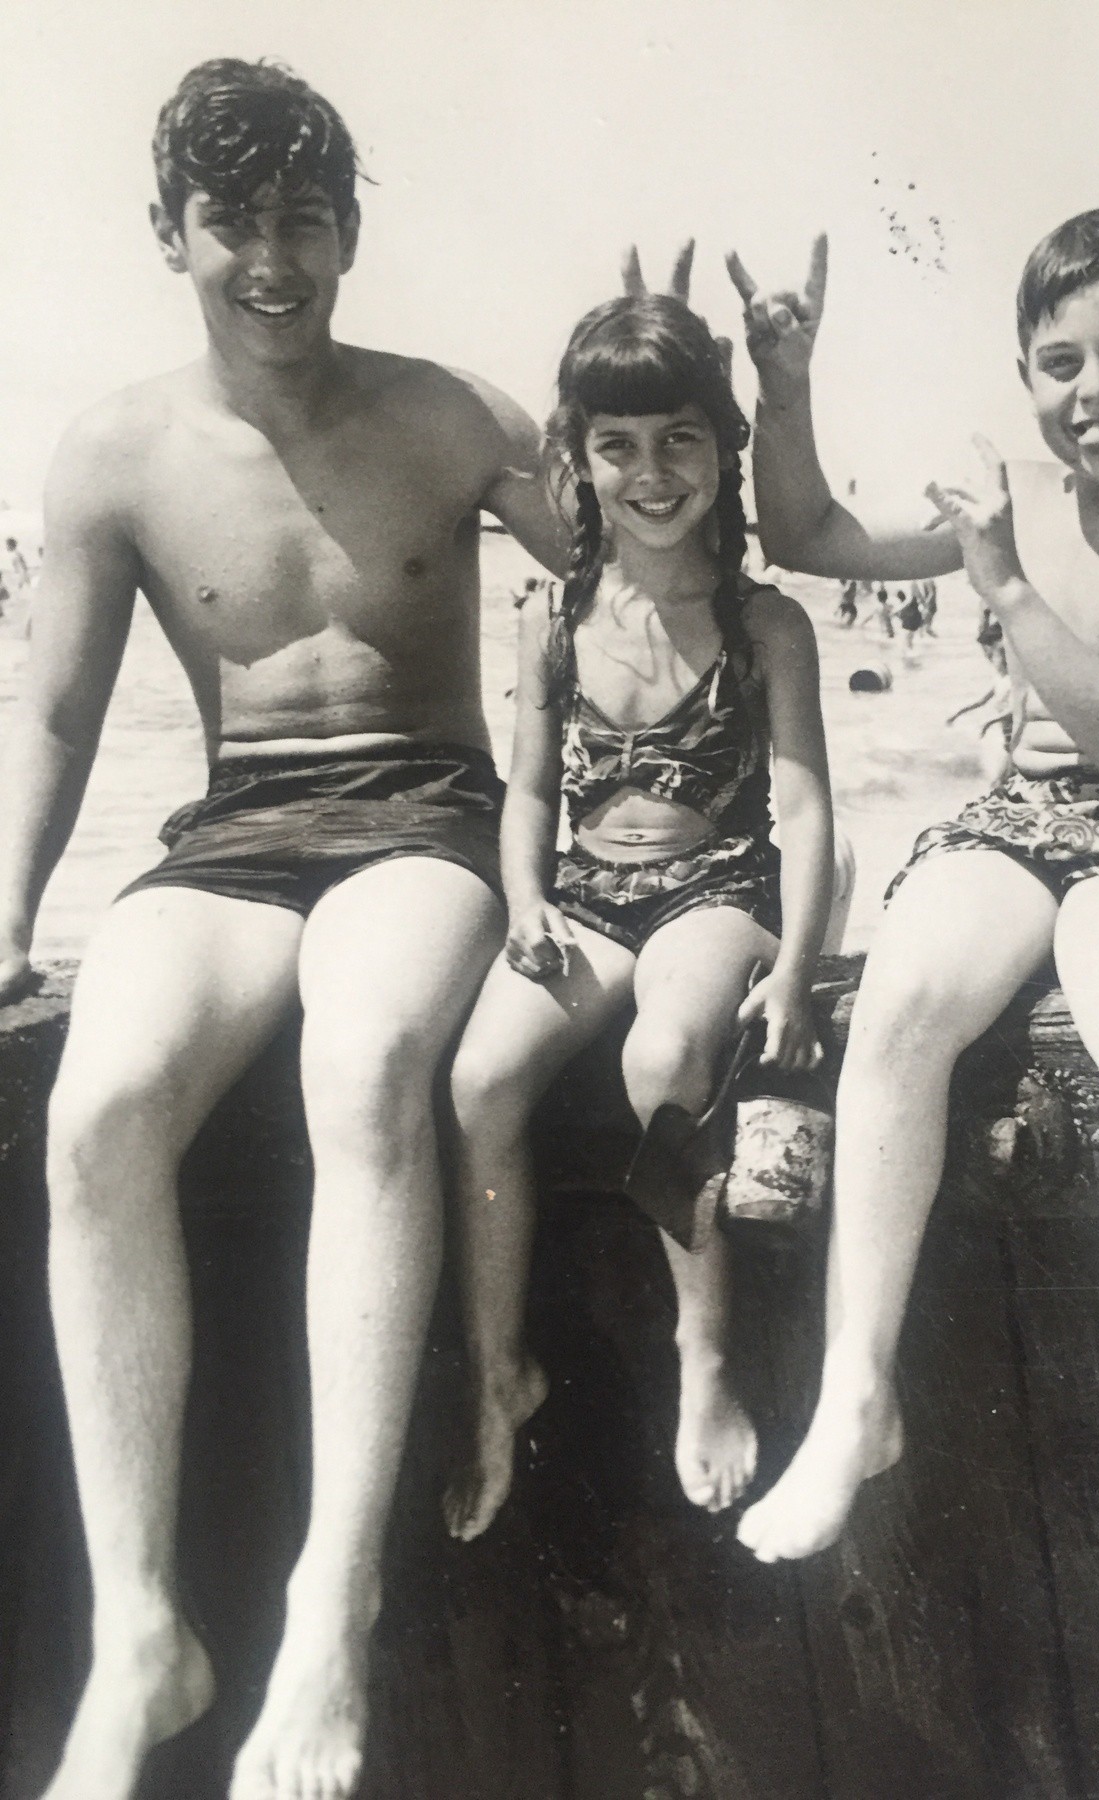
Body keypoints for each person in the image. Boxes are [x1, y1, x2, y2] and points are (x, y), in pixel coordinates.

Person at [0, 60, 567, 1800]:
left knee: (371, 1054)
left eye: (305, 219)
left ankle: (334, 1596)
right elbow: (57, 713)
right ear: (168, 232)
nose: (272, 258)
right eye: (232, 220)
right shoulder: (112, 454)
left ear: (350, 232)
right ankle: (141, 1630)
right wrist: (7, 916)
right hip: (237, 826)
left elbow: (653, 560)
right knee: (96, 1113)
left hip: (428, 813)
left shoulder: (454, 415)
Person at [726, 209, 1099, 1596]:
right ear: (1025, 373)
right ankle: (855, 1395)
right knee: (903, 999)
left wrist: (999, 578)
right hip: (1019, 820)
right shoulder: (1020, 499)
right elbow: (803, 534)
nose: (1093, 391)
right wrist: (784, 391)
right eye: (1059, 363)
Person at [442, 281, 834, 1545]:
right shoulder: (552, 620)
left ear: (725, 448)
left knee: (662, 1056)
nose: (653, 474)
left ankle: (702, 1353)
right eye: (618, 445)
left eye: (680, 440)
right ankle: (498, 1370)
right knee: (481, 1078)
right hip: (588, 898)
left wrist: (796, 967)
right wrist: (525, 901)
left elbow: (807, 811)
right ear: (577, 457)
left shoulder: (764, 624)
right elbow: (529, 791)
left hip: (719, 891)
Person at [946, 635, 1014, 784]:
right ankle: (1002, 780)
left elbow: (1014, 709)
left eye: (995, 658)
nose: (992, 661)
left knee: (1010, 751)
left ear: (1006, 660)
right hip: (1004, 724)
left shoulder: (1011, 681)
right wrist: (957, 713)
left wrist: (989, 722)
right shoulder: (999, 679)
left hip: (1012, 724)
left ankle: (1000, 782)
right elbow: (981, 701)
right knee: (1008, 751)